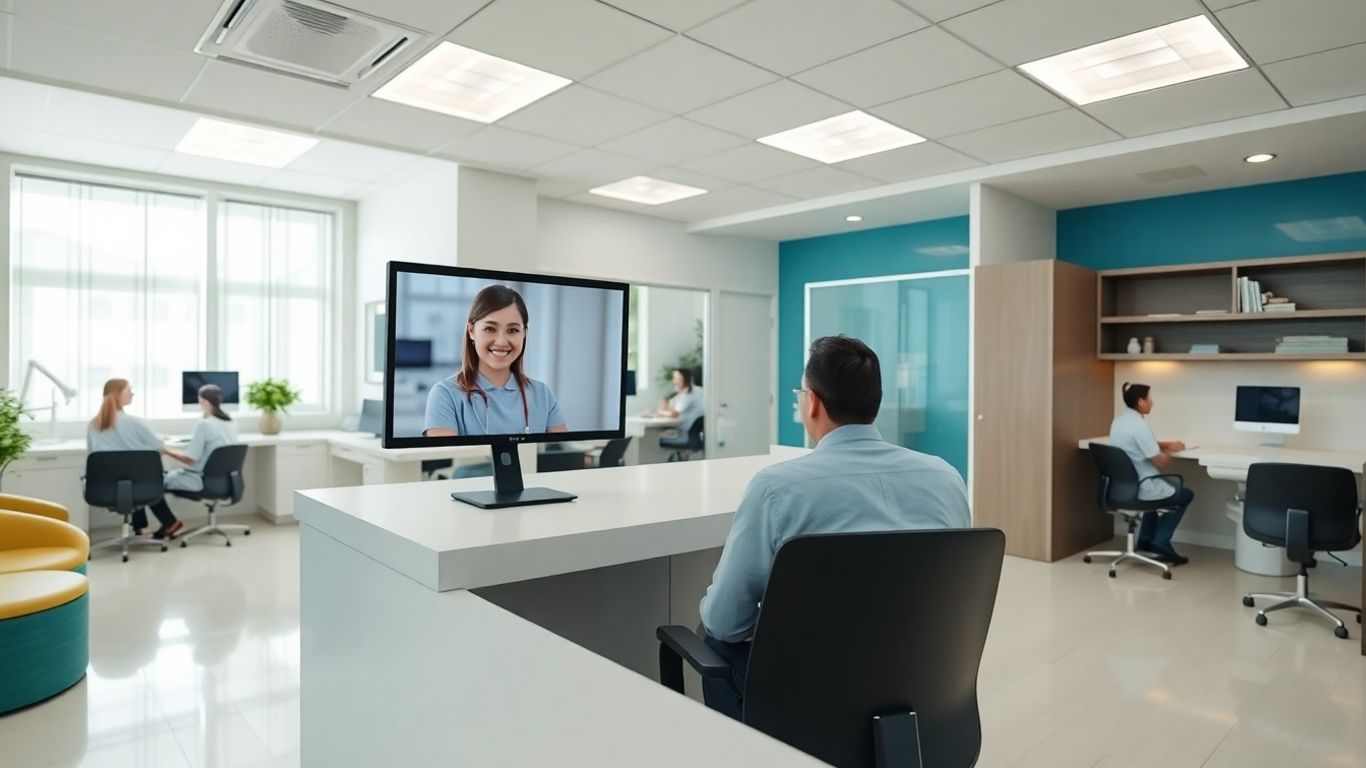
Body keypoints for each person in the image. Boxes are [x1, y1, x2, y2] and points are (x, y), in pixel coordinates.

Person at [697, 335, 971, 720]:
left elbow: (727, 622)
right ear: (874, 401)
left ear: (812, 402)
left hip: (809, 709)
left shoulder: (776, 489)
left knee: (712, 638)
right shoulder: (946, 478)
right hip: (921, 695)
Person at [423, 284, 568, 437]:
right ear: (471, 331)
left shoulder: (542, 395)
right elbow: (446, 459)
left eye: (512, 330)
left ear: (524, 334)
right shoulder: (445, 395)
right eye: (490, 329)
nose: (501, 341)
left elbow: (565, 456)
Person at [86, 378, 183, 540]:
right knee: (140, 474)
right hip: (139, 485)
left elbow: (91, 456)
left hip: (105, 488)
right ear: (118, 395)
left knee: (129, 472)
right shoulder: (135, 422)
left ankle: (140, 526)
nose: (132, 393)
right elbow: (158, 445)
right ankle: (168, 522)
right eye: (129, 390)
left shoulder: (93, 425)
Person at [1108, 382, 1193, 565]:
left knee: (1156, 498)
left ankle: (1145, 541)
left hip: (1122, 487)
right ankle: (1161, 541)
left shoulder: (1120, 421)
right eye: (1150, 399)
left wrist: (1166, 444)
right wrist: (1172, 450)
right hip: (1142, 486)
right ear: (1140, 402)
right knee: (1185, 494)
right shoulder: (1138, 425)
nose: (1152, 403)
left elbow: (1142, 443)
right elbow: (1161, 462)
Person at [163, 384, 239, 492]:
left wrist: (165, 450)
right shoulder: (232, 422)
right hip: (225, 480)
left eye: (200, 402)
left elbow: (189, 459)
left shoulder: (204, 424)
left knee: (162, 479)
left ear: (205, 402)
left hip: (201, 480)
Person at [655, 369, 704, 436]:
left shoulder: (688, 393)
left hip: (686, 432)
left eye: (677, 378)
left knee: (655, 435)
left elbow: (674, 414)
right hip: (695, 432)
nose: (674, 382)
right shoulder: (700, 390)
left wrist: (659, 412)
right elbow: (672, 410)